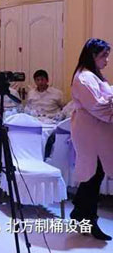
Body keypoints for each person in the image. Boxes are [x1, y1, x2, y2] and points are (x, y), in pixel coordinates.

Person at [69, 38, 113, 240]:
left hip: (96, 131)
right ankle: (89, 219)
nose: (106, 60)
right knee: (93, 173)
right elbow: (98, 106)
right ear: (92, 55)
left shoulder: (92, 75)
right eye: (104, 56)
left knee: (95, 173)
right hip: (90, 132)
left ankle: (79, 211)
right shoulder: (84, 78)